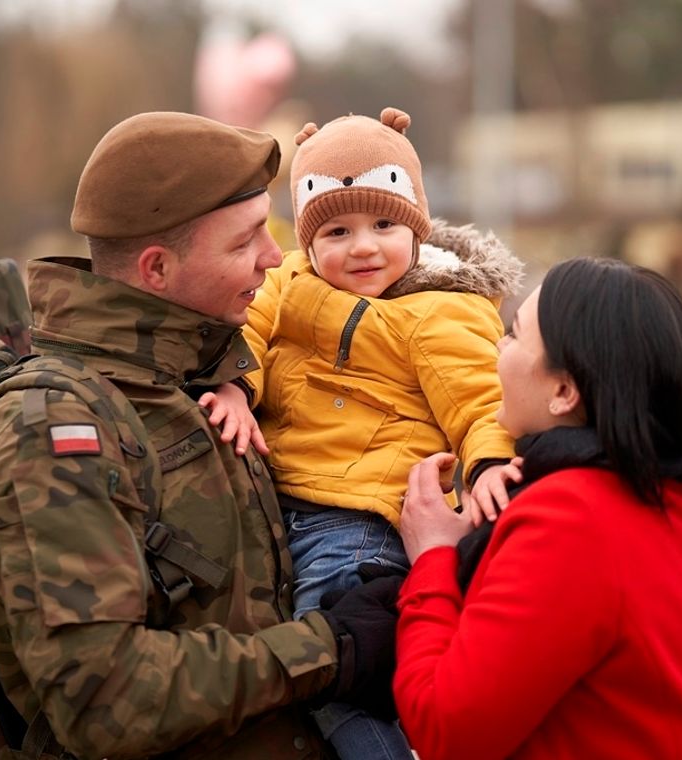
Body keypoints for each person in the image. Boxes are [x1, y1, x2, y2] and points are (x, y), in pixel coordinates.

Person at [0, 112, 403, 759]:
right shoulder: (55, 426)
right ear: (156, 269)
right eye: (244, 242)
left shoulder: (200, 379)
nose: (273, 257)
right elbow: (104, 700)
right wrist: (328, 648)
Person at [201, 107, 523, 759]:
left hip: (360, 527)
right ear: (308, 240)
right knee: (335, 676)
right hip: (288, 517)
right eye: (338, 231)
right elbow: (249, 332)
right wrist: (237, 386)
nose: (364, 247)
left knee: (331, 680)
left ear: (415, 225)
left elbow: (480, 396)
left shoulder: (441, 309)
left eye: (384, 224)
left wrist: (488, 464)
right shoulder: (288, 281)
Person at [393, 257, 682, 760]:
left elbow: (445, 728)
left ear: (564, 391)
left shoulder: (572, 519)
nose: (498, 347)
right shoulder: (677, 507)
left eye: (515, 335)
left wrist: (433, 557)